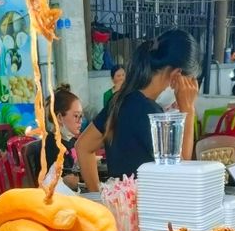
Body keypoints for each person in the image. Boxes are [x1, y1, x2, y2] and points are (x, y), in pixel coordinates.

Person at [77, 29, 201, 191]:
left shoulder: (121, 101)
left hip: (122, 210)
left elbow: (83, 146)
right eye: (190, 81)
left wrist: (99, 198)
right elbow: (181, 173)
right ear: (177, 75)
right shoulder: (150, 113)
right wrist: (188, 109)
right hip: (145, 213)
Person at [43, 87, 83, 191]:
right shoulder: (53, 144)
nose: (80, 121)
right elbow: (63, 180)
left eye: (81, 116)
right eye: (76, 116)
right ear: (60, 117)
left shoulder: (73, 141)